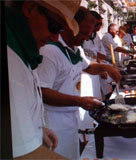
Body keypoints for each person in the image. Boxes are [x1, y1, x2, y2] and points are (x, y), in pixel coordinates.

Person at [36, 7, 121, 159]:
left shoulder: (76, 49)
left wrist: (107, 68)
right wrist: (79, 101)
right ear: (69, 27)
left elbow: (88, 67)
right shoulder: (50, 51)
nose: (87, 38)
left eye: (89, 33)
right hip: (54, 122)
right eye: (83, 32)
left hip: (70, 117)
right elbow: (42, 91)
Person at [5, 0, 82, 158]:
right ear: (30, 9)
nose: (55, 37)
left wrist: (37, 129)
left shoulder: (24, 51)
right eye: (54, 27)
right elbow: (25, 155)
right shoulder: (10, 58)